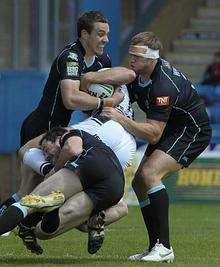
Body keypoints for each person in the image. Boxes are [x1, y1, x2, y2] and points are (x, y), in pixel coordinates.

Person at [0, 10, 135, 214]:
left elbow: (128, 75)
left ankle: (21, 222)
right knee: (32, 189)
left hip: (62, 129)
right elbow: (70, 99)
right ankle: (10, 219)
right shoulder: (71, 57)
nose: (106, 39)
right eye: (100, 34)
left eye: (107, 34)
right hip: (41, 126)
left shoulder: (103, 60)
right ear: (84, 34)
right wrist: (107, 101)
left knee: (42, 190)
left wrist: (95, 81)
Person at [101, 32, 212, 263]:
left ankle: (165, 247)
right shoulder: (139, 75)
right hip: (170, 128)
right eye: (130, 54)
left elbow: (153, 134)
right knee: (140, 182)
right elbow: (122, 94)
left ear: (151, 59)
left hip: (191, 131)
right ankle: (154, 246)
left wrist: (121, 120)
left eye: (137, 57)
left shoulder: (162, 86)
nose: (131, 60)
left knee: (150, 175)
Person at [18, 84, 136, 254]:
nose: (47, 155)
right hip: (119, 153)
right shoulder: (116, 102)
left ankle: (26, 224)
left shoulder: (79, 129)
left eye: (47, 152)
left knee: (64, 207)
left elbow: (26, 149)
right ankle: (96, 217)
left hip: (105, 147)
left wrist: (50, 170)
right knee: (117, 208)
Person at [0, 128, 125, 248]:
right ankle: (53, 209)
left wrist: (54, 170)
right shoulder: (99, 147)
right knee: (43, 232)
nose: (46, 156)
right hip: (115, 186)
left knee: (27, 203)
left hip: (93, 164)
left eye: (45, 149)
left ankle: (53, 207)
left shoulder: (71, 134)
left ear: (57, 138)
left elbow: (72, 149)